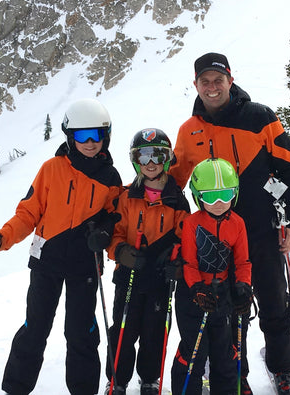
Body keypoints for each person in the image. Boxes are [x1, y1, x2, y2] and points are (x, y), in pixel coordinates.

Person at [170, 52, 290, 395]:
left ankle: (283, 369)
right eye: (205, 81)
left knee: (274, 302)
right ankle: (235, 374)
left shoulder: (260, 117)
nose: (212, 87)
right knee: (226, 311)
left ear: (230, 80)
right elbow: (174, 182)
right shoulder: (189, 130)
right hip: (214, 239)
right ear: (196, 85)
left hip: (261, 230)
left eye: (218, 80)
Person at [0, 98, 123, 395]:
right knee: (35, 327)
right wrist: (0, 238)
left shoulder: (110, 178)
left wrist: (104, 234)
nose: (90, 142)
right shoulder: (52, 169)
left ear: (106, 136)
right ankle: (16, 388)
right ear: (70, 136)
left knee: (81, 331)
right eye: (82, 135)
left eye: (96, 134)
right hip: (47, 262)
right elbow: (28, 213)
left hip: (84, 265)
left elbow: (115, 219)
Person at [103, 128, 190, 395]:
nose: (150, 163)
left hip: (159, 277)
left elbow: (185, 238)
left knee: (155, 330)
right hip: (130, 275)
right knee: (124, 329)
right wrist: (120, 252)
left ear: (167, 159)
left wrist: (178, 263)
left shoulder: (177, 200)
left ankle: (150, 377)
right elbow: (115, 233)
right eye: (143, 157)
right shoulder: (127, 197)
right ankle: (117, 378)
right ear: (135, 161)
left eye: (157, 156)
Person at [170, 158, 252, 395]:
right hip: (192, 295)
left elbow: (243, 262)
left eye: (225, 195)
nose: (218, 203)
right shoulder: (192, 223)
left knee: (223, 351)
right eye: (210, 197)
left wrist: (243, 287)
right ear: (198, 197)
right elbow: (189, 262)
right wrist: (197, 288)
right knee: (194, 351)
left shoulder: (238, 223)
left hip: (221, 293)